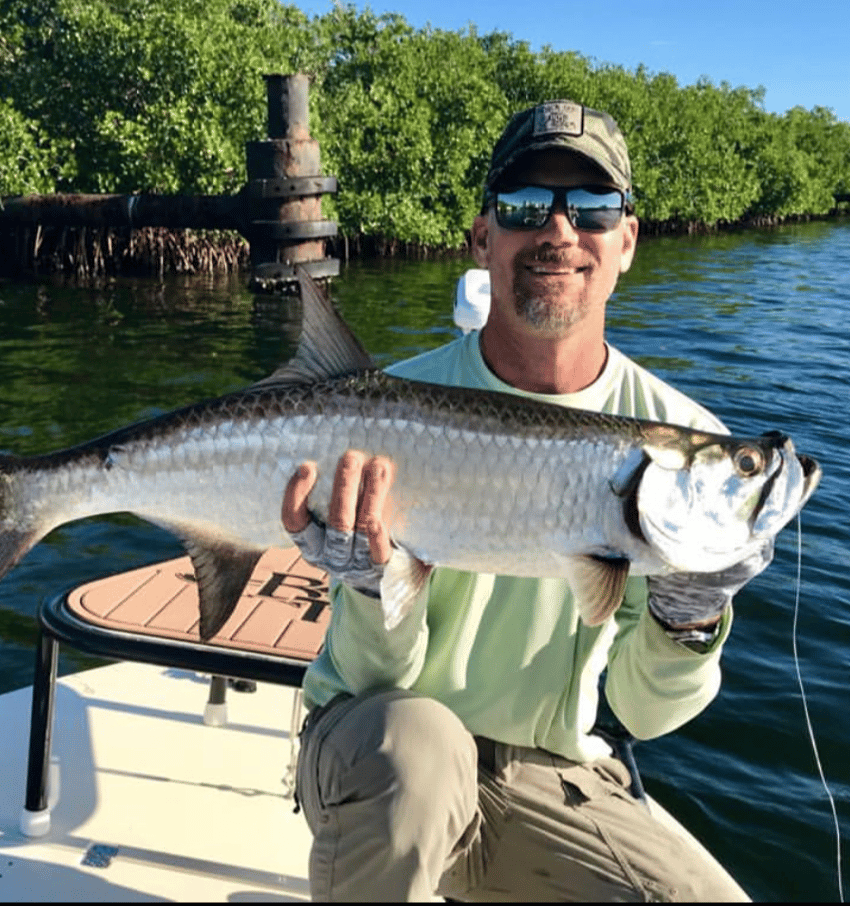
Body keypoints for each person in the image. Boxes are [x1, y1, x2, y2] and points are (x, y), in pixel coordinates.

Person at [281, 100, 765, 902]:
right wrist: (371, 587)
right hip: (380, 747)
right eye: (525, 206)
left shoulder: (685, 443)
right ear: (483, 238)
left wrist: (690, 620)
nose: (560, 231)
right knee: (421, 750)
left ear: (627, 242)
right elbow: (371, 682)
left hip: (550, 773)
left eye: (595, 208)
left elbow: (641, 714)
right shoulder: (383, 409)